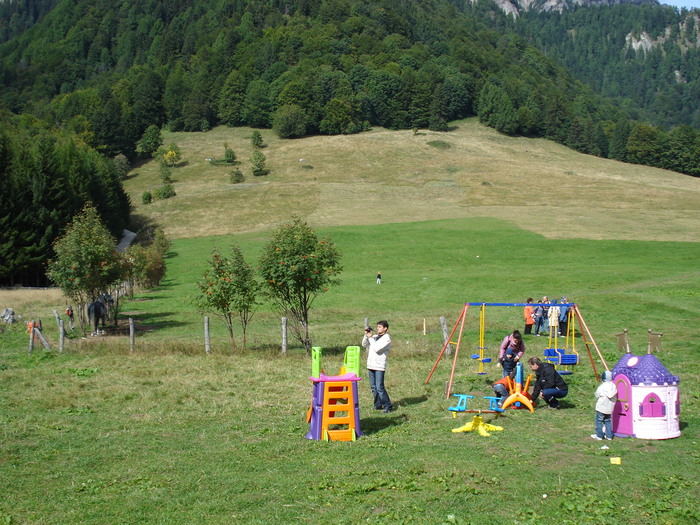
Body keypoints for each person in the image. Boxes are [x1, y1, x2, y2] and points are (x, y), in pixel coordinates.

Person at [362, 320, 393, 413]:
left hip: (379, 366)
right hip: (371, 364)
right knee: (373, 387)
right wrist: (366, 335)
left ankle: (388, 406)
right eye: (377, 326)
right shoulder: (374, 337)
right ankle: (378, 404)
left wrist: (370, 338)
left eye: (379, 327)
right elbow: (364, 344)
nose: (377, 328)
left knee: (379, 387)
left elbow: (377, 349)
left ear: (385, 328)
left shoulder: (386, 339)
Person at [592, 370, 617, 441]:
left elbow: (597, 394)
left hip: (601, 407)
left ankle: (599, 435)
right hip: (609, 408)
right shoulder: (613, 386)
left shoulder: (602, 387)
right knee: (608, 421)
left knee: (599, 421)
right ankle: (609, 436)